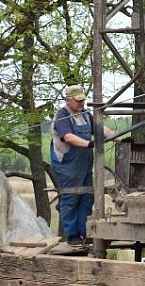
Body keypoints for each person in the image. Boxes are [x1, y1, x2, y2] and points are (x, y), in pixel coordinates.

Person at [50, 85, 117, 245]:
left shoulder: (86, 114)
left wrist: (119, 138)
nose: (81, 103)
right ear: (68, 100)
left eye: (83, 100)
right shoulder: (62, 116)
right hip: (67, 166)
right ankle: (72, 235)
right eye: (78, 101)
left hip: (85, 165)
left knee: (88, 197)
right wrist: (89, 144)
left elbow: (101, 128)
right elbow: (68, 137)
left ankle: (84, 232)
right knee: (71, 198)